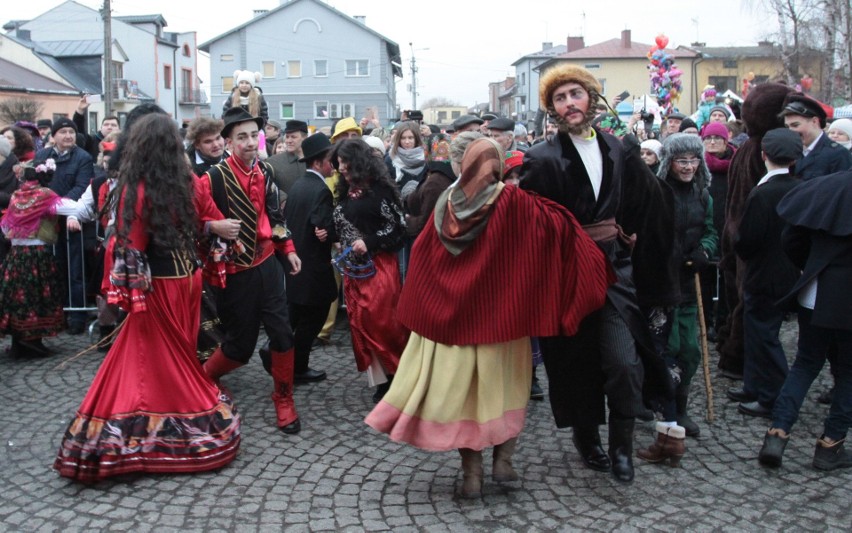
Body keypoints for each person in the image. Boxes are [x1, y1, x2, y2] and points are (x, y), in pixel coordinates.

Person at [365, 137, 611, 498]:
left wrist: (427, 311)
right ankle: (504, 461)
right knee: (507, 393)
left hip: (457, 329)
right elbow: (561, 231)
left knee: (468, 401)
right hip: (505, 326)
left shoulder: (444, 206)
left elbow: (423, 259)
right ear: (497, 167)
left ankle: (472, 475)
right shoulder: (515, 203)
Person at [53, 114, 241, 482]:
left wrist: (130, 295)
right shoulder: (187, 180)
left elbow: (132, 246)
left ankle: (148, 424)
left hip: (163, 285)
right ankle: (170, 412)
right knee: (170, 353)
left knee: (153, 356)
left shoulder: (135, 187)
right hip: (188, 280)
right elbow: (205, 221)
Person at [519, 64, 672, 483]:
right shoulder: (541, 158)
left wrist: (638, 239)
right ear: (553, 109)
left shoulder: (618, 147)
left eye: (575, 94)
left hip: (614, 272)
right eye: (560, 98)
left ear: (591, 97)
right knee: (576, 364)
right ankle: (587, 439)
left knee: (624, 361)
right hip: (567, 275)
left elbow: (645, 199)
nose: (570, 103)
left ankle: (623, 447)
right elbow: (532, 223)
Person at [199, 107, 303, 435]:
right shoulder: (211, 178)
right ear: (227, 141)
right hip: (235, 272)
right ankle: (204, 378)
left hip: (268, 264)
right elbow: (187, 220)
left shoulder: (266, 172)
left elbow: (276, 217)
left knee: (284, 335)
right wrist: (212, 225)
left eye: (251, 136)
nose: (248, 143)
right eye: (240, 137)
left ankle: (283, 399)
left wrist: (288, 250)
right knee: (239, 347)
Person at [758, 169, 852, 471]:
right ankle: (830, 445)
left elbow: (792, 237)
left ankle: (777, 434)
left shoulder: (827, 186)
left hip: (815, 289)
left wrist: (810, 266)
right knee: (849, 373)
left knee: (806, 363)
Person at [330, 138, 408, 403]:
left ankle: (398, 373)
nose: (340, 167)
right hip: (354, 269)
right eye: (338, 162)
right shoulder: (346, 190)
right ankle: (381, 380)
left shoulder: (380, 191)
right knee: (360, 322)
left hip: (379, 267)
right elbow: (342, 222)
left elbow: (398, 227)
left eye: (344, 161)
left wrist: (370, 242)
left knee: (383, 322)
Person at [731, 128, 802, 418]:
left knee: (764, 335)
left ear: (763, 156)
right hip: (786, 272)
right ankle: (754, 385)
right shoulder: (799, 187)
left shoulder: (763, 193)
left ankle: (774, 396)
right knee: (756, 330)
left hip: (764, 274)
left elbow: (747, 239)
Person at [655, 133, 718, 437]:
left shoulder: (703, 195)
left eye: (694, 159)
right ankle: (662, 404)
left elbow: (711, 232)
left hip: (689, 282)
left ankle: (681, 407)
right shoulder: (657, 193)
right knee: (668, 347)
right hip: (661, 283)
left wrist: (704, 251)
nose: (688, 166)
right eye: (682, 160)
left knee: (690, 350)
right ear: (670, 162)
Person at [0, 159, 88, 357]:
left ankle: (19, 341)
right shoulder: (46, 196)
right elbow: (74, 208)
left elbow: (6, 226)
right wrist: (81, 212)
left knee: (17, 297)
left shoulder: (16, 196)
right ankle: (32, 341)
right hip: (37, 254)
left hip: (16, 256)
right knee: (37, 296)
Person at [283, 133, 337, 384]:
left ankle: (279, 355)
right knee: (312, 321)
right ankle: (295, 366)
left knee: (295, 317)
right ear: (317, 163)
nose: (333, 165)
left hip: (295, 265)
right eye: (330, 160)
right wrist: (332, 229)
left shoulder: (298, 185)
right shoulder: (321, 190)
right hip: (314, 268)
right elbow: (322, 228)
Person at [36, 117, 95, 335]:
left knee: (74, 269)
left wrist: (59, 207)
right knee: (53, 266)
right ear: (54, 136)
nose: (68, 136)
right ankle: (55, 313)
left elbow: (81, 187)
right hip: (47, 222)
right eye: (63, 132)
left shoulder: (83, 157)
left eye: (71, 132)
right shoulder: (42, 156)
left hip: (72, 220)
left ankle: (76, 315)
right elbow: (37, 184)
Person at [701, 122, 736, 340]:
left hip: (729, 227)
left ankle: (723, 322)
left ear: (726, 141)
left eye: (717, 138)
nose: (712, 142)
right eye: (708, 138)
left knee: (726, 279)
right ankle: (706, 323)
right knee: (705, 280)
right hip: (706, 229)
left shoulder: (736, 164)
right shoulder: (697, 164)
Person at [779, 93, 852, 180]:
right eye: (787, 126)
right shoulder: (790, 151)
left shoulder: (838, 154)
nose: (790, 131)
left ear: (814, 121)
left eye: (795, 125)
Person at [404, 133, 455, 238]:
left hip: (428, 241)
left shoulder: (435, 182)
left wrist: (407, 220)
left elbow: (428, 222)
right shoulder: (434, 172)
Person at [266, 120, 308, 195]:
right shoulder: (273, 162)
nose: (288, 141)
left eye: (293, 137)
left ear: (304, 138)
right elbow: (266, 188)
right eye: (287, 137)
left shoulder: (314, 160)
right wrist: (282, 198)